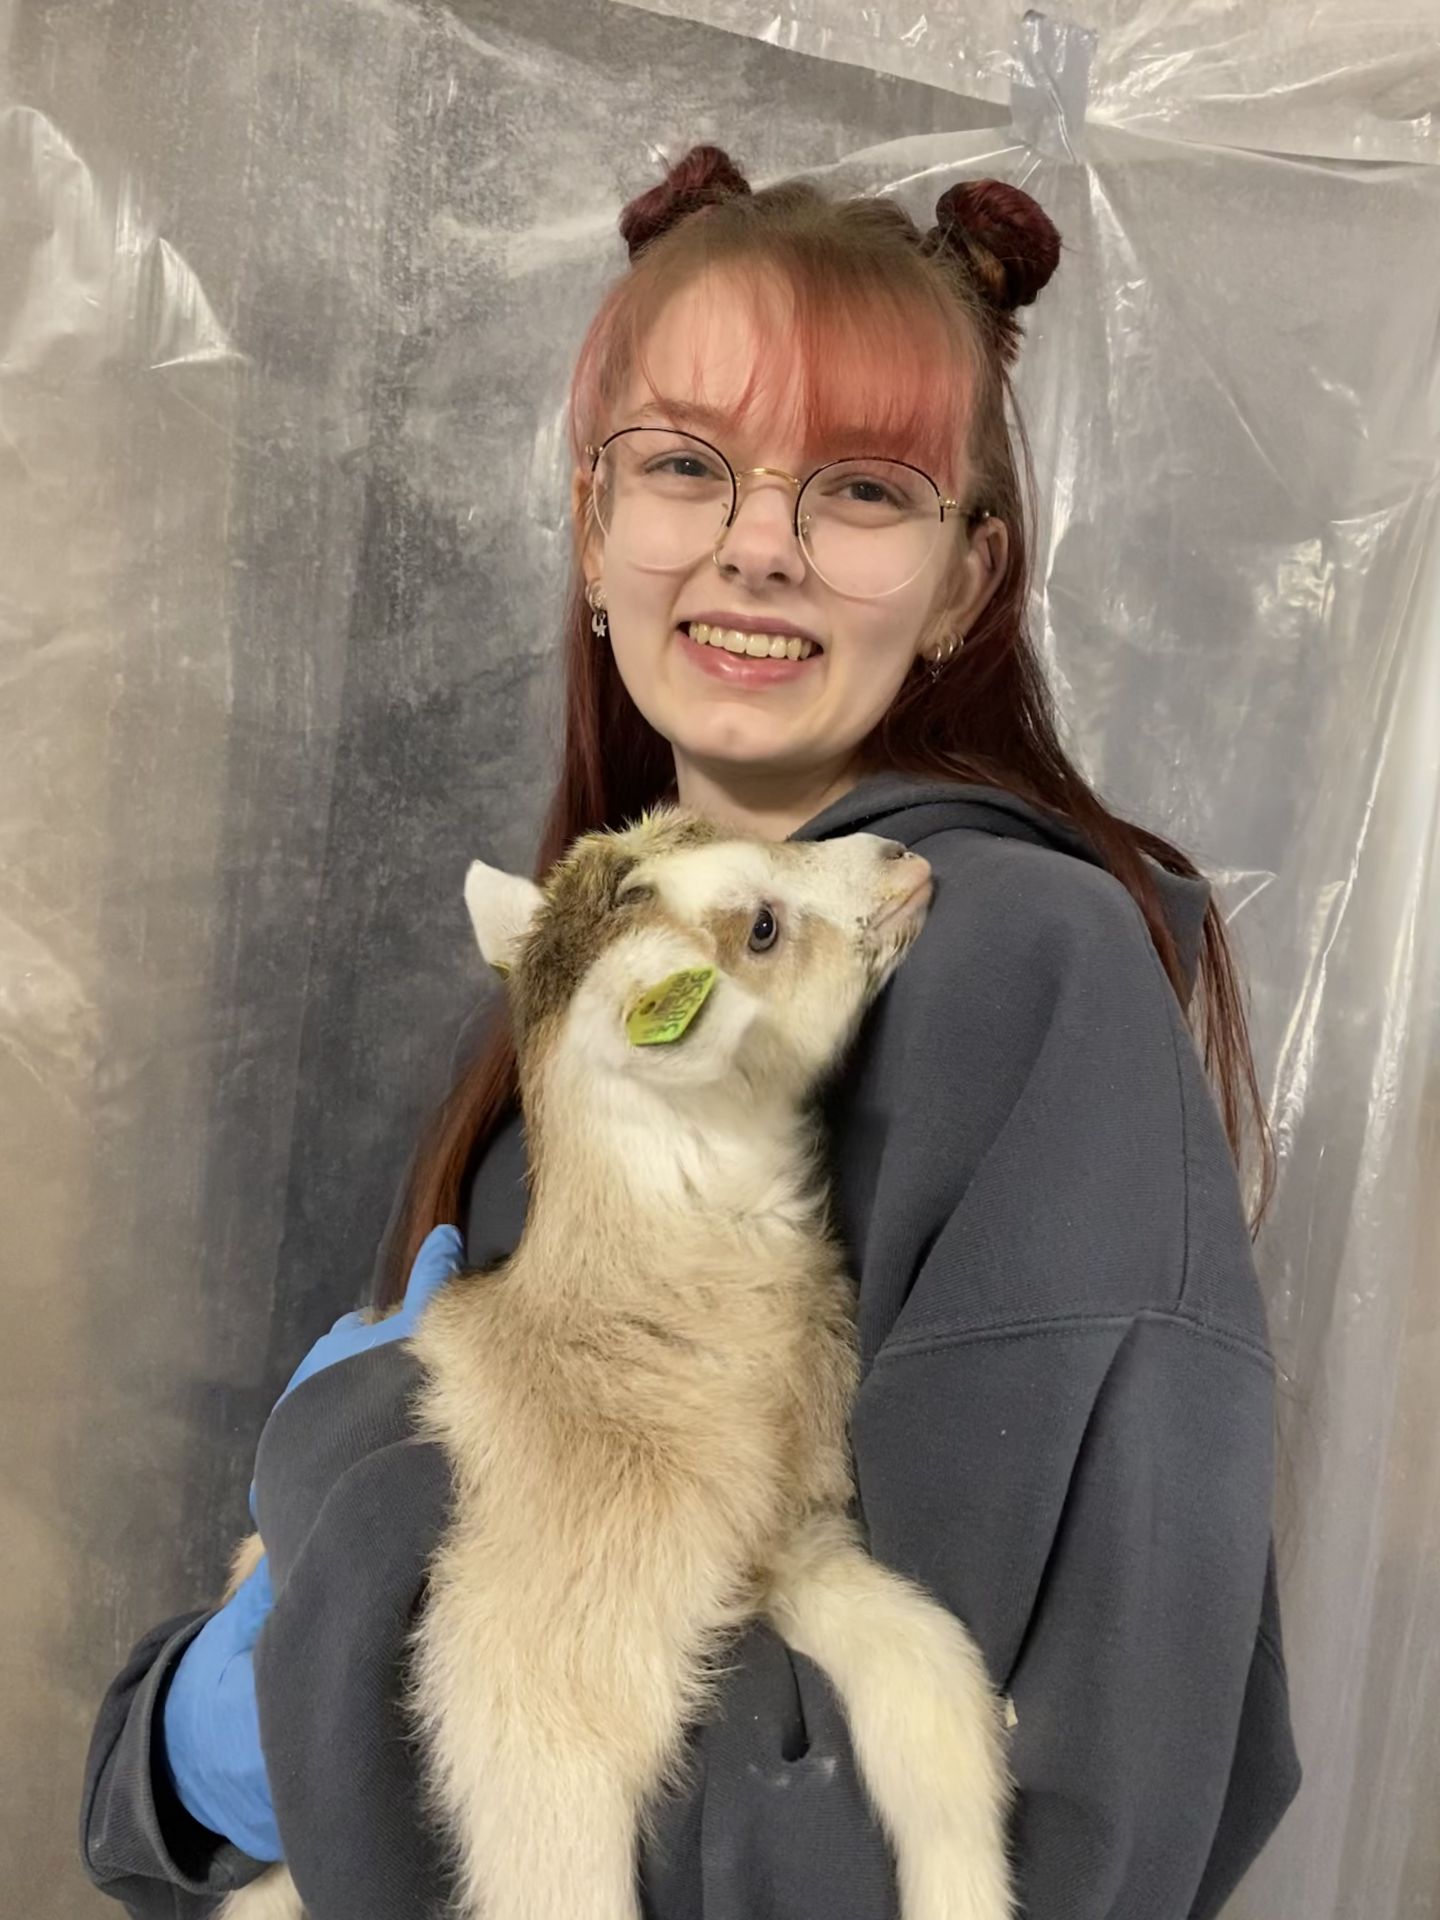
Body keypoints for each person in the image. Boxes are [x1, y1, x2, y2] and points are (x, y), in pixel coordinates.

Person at [81, 144, 1302, 1920]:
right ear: (593, 527)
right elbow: (171, 1808)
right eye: (682, 463)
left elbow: (1087, 1793)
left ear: (966, 581)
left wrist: (320, 1645)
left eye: (862, 488)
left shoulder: (1021, 972)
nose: (758, 544)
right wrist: (186, 1740)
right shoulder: (571, 1006)